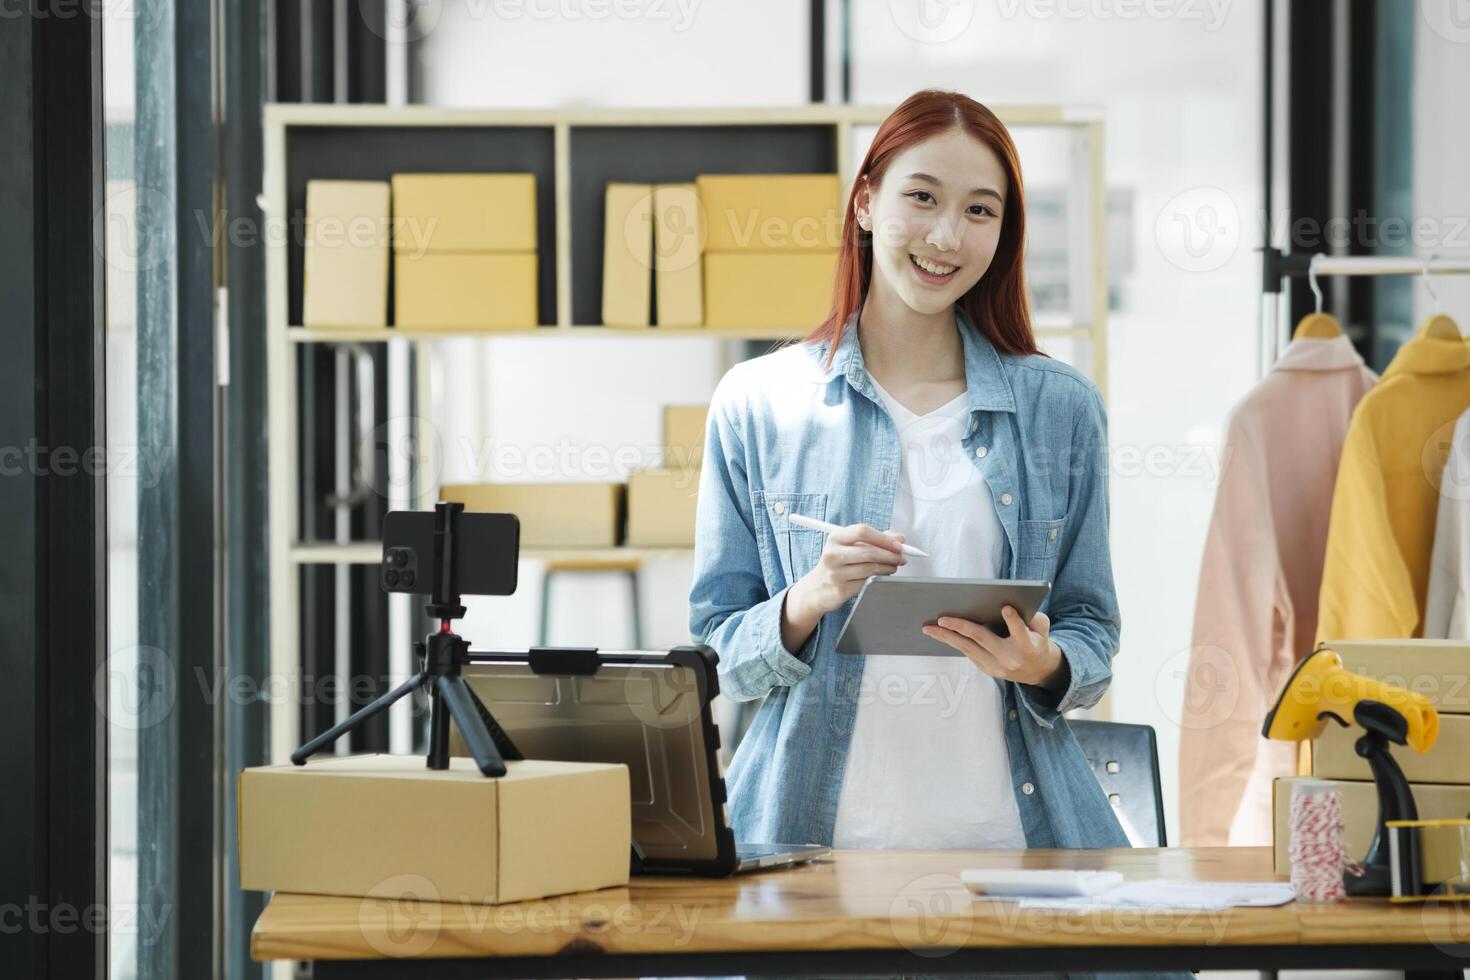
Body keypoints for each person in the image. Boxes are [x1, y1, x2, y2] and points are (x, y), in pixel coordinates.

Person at [688, 89, 1186, 980]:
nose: (947, 236)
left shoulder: (1059, 410)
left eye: (979, 210)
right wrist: (809, 598)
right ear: (867, 200)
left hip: (1013, 851)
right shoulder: (758, 404)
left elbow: (1092, 629)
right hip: (811, 852)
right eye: (922, 197)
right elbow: (716, 658)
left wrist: (1044, 665)